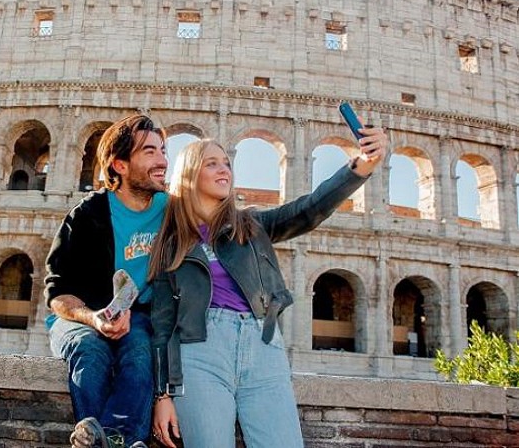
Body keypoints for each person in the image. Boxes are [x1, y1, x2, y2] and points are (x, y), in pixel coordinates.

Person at [148, 127, 388, 448]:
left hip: (262, 345)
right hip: (199, 350)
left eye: (226, 163)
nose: (224, 169)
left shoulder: (251, 225)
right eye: (212, 163)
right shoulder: (172, 241)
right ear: (189, 174)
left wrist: (361, 166)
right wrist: (162, 396)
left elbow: (309, 209)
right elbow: (162, 323)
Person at [44, 114, 168, 448]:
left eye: (163, 150)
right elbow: (57, 293)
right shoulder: (87, 214)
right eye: (150, 152)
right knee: (90, 347)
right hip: (80, 317)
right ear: (121, 165)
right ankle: (123, 443)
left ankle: (107, 441)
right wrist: (93, 318)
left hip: (138, 316)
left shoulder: (172, 211)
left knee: (141, 350)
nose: (163, 161)